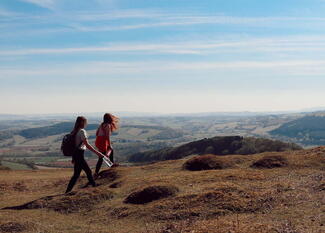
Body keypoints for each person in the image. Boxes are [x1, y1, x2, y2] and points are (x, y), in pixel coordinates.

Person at [65, 116, 105, 193]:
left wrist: (73, 158)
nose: (86, 123)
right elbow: (87, 145)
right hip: (80, 155)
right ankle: (94, 187)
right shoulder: (82, 131)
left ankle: (67, 191)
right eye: (85, 122)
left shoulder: (74, 131)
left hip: (76, 155)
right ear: (82, 122)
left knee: (76, 175)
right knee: (88, 171)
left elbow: (74, 146)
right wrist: (98, 153)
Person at [94, 113, 119, 178]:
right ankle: (96, 173)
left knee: (107, 153)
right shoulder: (107, 125)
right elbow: (107, 136)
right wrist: (109, 144)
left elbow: (97, 133)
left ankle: (111, 164)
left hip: (99, 140)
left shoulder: (102, 125)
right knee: (101, 157)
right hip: (102, 141)